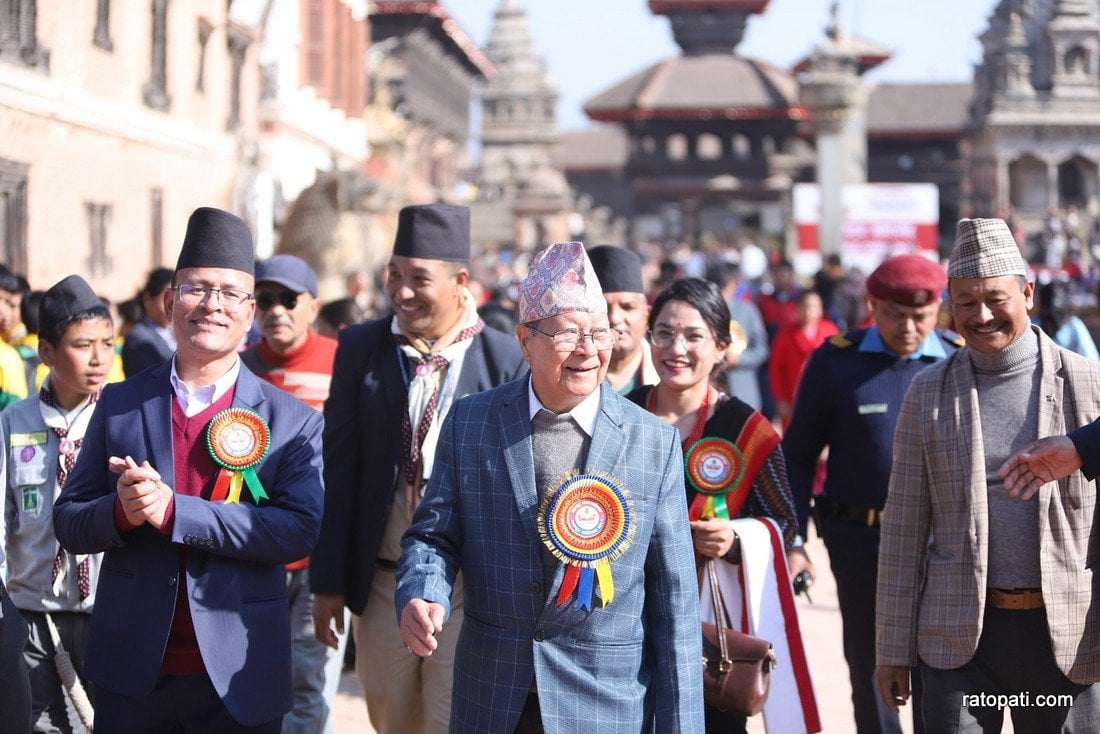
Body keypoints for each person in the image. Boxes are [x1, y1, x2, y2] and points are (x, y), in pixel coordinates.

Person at [396, 241, 704, 732]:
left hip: (605, 703)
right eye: (568, 334)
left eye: (599, 333)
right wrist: (421, 589)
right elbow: (433, 534)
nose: (588, 350)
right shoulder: (473, 422)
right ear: (525, 341)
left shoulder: (652, 442)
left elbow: (676, 603)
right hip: (494, 696)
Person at [53, 206, 325, 732]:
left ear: (249, 314)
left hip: (239, 673)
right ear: (169, 301)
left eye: (229, 293)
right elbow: (68, 521)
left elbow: (298, 531)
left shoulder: (291, 420)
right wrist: (123, 512)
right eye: (198, 289)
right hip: (133, 673)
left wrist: (177, 512)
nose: (212, 305)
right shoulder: (120, 402)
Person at [874, 218, 1100, 732]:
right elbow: (905, 529)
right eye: (966, 302)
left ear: (1027, 292)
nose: (981, 315)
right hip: (957, 641)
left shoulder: (1087, 383)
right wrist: (892, 649)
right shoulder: (928, 393)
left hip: (1064, 636)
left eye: (996, 299)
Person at [310, 204, 526, 734]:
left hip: (466, 588)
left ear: (459, 281)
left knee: (453, 721)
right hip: (383, 582)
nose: (402, 292)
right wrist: (329, 582)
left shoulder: (503, 360)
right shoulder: (362, 349)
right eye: (394, 276)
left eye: (419, 279)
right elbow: (338, 469)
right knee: (392, 719)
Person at [627, 277, 818, 733]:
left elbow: (785, 524)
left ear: (721, 347)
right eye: (665, 333)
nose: (677, 348)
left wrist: (735, 540)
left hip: (710, 638)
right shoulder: (621, 413)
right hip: (625, 625)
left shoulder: (748, 430)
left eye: (694, 336)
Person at [783, 254, 961, 734]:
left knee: (940, 668)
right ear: (872, 304)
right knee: (870, 663)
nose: (908, 328)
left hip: (939, 544)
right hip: (860, 542)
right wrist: (793, 539)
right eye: (895, 315)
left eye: (921, 316)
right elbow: (797, 455)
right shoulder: (834, 363)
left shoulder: (961, 364)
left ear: (939, 308)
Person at [1, 275, 112, 732]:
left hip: (109, 612)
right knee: (40, 723)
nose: (99, 358)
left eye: (107, 343)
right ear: (46, 352)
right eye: (83, 345)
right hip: (32, 615)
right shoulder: (14, 421)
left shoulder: (122, 417)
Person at [241, 254, 345, 734]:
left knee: (306, 678)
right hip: (250, 547)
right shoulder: (234, 370)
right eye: (265, 300)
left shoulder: (342, 361)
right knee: (247, 673)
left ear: (313, 306)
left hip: (318, 553)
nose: (276, 310)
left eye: (288, 299)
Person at [587, 245, 658, 394]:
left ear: (647, 315)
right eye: (604, 309)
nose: (614, 318)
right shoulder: (565, 382)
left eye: (627, 307)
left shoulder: (667, 377)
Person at [768, 289, 838, 428]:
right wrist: (781, 398)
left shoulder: (830, 331)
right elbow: (776, 368)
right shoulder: (785, 334)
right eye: (804, 306)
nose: (808, 311)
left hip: (825, 398)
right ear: (797, 308)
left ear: (820, 310)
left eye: (813, 307)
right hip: (793, 400)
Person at [707, 260, 769, 409]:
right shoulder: (703, 311)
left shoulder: (747, 310)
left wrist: (739, 360)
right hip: (709, 394)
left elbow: (761, 350)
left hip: (744, 391)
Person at [121, 267, 176, 377]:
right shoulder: (138, 338)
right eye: (166, 301)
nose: (172, 308)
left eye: (176, 301)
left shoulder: (173, 333)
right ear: (147, 297)